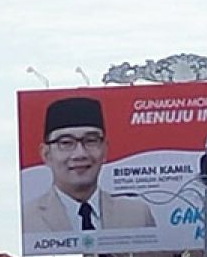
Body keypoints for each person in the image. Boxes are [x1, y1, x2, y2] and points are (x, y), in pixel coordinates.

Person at [22, 96, 156, 232]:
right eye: (66, 143)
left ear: (105, 149)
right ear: (46, 154)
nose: (80, 154)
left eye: (91, 140)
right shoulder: (28, 219)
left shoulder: (137, 214)